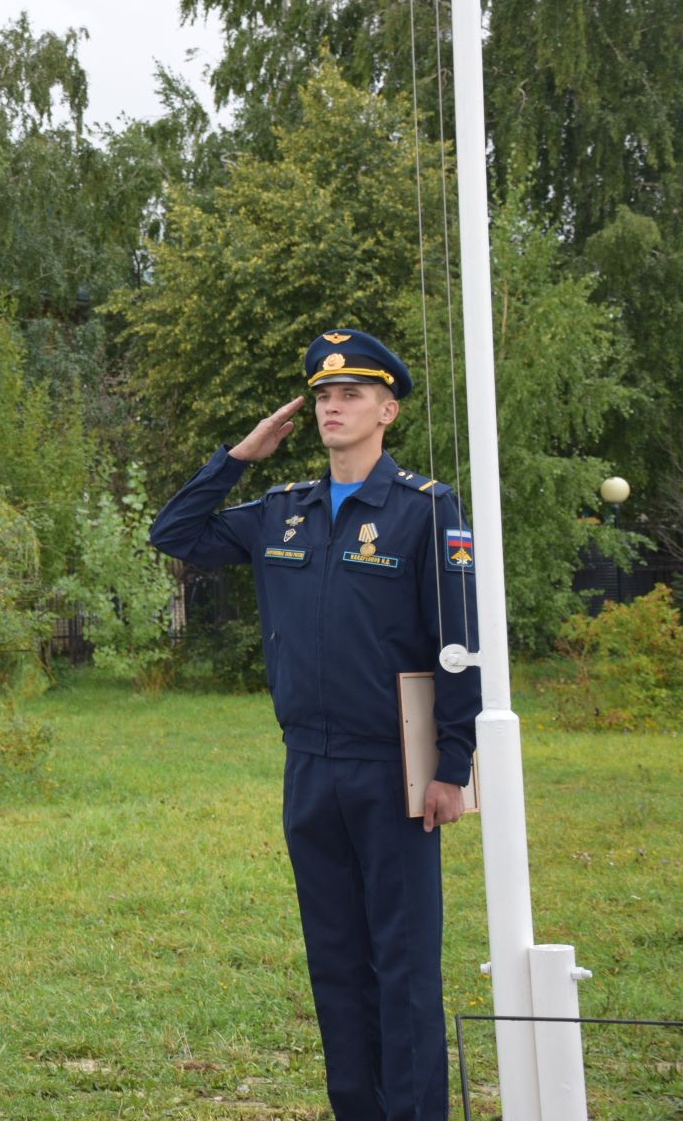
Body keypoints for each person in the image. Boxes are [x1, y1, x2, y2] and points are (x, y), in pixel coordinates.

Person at [148, 328, 478, 1121]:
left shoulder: (424, 511)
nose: (333, 407)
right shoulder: (281, 513)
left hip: (393, 766)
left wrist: (452, 764)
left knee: (401, 964)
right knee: (335, 961)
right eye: (323, 396)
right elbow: (173, 534)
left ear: (387, 410)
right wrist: (240, 457)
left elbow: (458, 646)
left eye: (352, 395)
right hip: (310, 765)